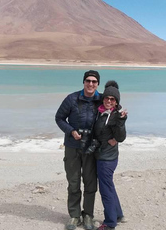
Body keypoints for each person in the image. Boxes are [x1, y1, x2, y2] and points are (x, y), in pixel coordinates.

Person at [55, 70, 103, 230]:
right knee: (74, 183)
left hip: (91, 149)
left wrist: (122, 116)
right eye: (88, 81)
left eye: (94, 82)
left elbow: (114, 112)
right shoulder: (71, 99)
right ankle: (75, 216)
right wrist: (71, 131)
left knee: (90, 184)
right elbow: (59, 118)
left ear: (98, 84)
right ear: (83, 82)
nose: (91, 84)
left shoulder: (102, 100)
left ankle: (88, 215)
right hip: (72, 147)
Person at [92, 80, 127, 230]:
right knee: (109, 186)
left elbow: (121, 136)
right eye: (107, 98)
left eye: (112, 99)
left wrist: (121, 120)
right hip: (103, 154)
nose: (109, 101)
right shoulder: (100, 112)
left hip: (107, 158)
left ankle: (110, 223)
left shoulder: (115, 116)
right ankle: (118, 214)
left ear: (116, 102)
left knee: (105, 189)